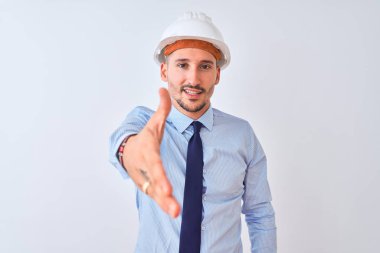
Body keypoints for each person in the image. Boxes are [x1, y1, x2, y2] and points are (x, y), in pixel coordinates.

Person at [109, 11, 277, 253]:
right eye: (182, 65)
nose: (194, 78)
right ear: (164, 71)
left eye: (205, 66)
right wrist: (133, 153)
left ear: (217, 75)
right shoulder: (144, 122)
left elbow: (260, 212)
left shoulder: (242, 135)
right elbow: (124, 146)